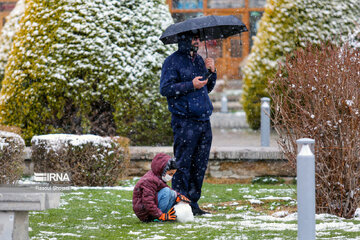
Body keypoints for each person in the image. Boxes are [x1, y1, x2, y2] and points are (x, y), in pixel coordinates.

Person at [160, 30, 217, 215]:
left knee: (200, 164)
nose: (197, 41)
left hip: (203, 120)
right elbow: (165, 89)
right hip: (184, 121)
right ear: (184, 40)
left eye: (199, 38)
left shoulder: (199, 60)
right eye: (194, 38)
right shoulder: (172, 62)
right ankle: (180, 203)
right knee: (183, 164)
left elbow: (206, 87)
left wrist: (212, 72)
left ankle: (193, 203)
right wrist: (190, 85)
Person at [132, 153, 191, 222]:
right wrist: (160, 215)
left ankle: (162, 216)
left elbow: (165, 187)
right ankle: (157, 217)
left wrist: (177, 196)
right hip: (145, 213)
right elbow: (148, 202)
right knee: (166, 192)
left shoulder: (157, 177)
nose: (171, 177)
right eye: (170, 174)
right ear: (163, 169)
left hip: (150, 211)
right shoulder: (149, 180)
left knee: (171, 193)